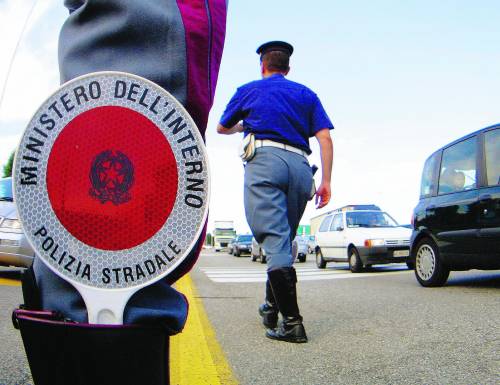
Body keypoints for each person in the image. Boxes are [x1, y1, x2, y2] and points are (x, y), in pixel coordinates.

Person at [217, 41, 334, 343]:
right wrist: (326, 182)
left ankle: (293, 324)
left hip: (266, 162)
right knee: (283, 242)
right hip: (300, 167)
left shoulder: (249, 90)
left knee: (275, 241)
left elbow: (221, 127)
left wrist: (244, 125)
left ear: (263, 66)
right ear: (288, 68)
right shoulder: (307, 94)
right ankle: (270, 307)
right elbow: (325, 139)